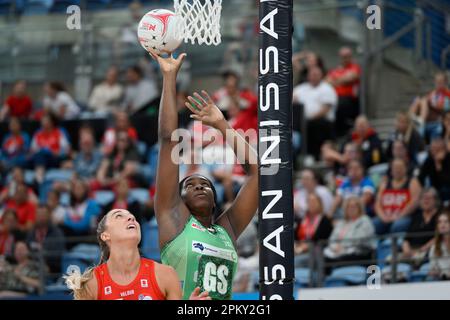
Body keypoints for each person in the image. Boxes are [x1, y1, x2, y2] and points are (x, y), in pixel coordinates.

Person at [152, 52, 258, 300]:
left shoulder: (226, 230)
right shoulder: (174, 221)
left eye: (206, 185)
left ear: (215, 199)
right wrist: (169, 78)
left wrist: (223, 125)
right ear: (179, 199)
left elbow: (257, 173)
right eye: (190, 184)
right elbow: (169, 140)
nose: (199, 186)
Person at [64, 209, 210, 300]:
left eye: (132, 217)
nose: (131, 218)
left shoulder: (165, 274)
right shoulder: (92, 284)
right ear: (105, 236)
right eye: (119, 216)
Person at [293, 66, 337, 159]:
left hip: (321, 122)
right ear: (308, 76)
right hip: (302, 122)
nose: (314, 77)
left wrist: (309, 118)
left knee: (312, 126)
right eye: (312, 75)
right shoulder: (300, 88)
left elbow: (325, 109)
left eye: (316, 75)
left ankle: (313, 155)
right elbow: (293, 101)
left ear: (321, 76)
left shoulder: (327, 88)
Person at [324, 196, 375, 272]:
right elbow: (332, 239)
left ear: (359, 208)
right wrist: (335, 247)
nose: (351, 209)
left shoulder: (365, 220)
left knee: (340, 261)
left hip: (359, 252)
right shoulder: (341, 223)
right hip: (338, 251)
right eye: (349, 207)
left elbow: (360, 239)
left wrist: (343, 246)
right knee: (321, 259)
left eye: (354, 206)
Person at [373, 158, 422, 235]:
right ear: (391, 170)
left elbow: (415, 202)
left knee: (397, 225)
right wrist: (383, 216)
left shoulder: (412, 182)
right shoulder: (385, 184)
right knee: (374, 224)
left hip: (405, 216)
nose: (398, 170)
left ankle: (395, 245)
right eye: (395, 168)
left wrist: (399, 216)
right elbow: (377, 204)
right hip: (386, 216)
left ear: (405, 169)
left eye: (400, 167)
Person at [400, 188, 440, 267]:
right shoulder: (417, 216)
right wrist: (406, 249)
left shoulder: (440, 216)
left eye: (428, 198)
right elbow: (407, 238)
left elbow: (439, 236)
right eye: (423, 198)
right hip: (412, 250)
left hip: (429, 250)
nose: (425, 201)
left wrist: (422, 249)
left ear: (435, 200)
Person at [326, 47, 362, 137]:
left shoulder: (355, 67)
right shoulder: (334, 70)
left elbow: (351, 78)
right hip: (334, 98)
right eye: (343, 57)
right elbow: (326, 82)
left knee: (340, 105)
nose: (345, 59)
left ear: (351, 57)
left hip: (349, 99)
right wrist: (342, 79)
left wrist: (335, 80)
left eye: (347, 56)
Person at [30, 113, 71, 183]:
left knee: (42, 154)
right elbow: (32, 151)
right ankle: (39, 178)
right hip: (40, 160)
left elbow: (67, 150)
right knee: (41, 154)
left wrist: (56, 152)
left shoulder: (59, 132)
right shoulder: (38, 134)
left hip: (54, 159)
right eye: (42, 121)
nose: (44, 123)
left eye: (46, 121)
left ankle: (38, 179)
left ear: (51, 122)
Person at [294, 193, 333, 268]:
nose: (312, 204)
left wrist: (307, 246)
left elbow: (324, 240)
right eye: (309, 202)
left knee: (295, 262)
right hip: (298, 250)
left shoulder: (325, 221)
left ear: (320, 204)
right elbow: (295, 237)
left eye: (314, 202)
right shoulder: (302, 220)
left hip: (316, 252)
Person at [409, 72, 450, 141]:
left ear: (445, 83)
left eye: (440, 82)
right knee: (418, 99)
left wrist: (431, 104)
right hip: (428, 115)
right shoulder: (433, 93)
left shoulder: (447, 94)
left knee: (424, 101)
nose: (438, 84)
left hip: (439, 116)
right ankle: (412, 117)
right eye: (437, 82)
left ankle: (420, 121)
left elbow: (445, 108)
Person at [26, 204, 65, 275]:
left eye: (43, 215)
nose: (41, 218)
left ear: (49, 216)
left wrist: (42, 255)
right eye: (38, 215)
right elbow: (27, 249)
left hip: (51, 269)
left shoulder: (56, 233)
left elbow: (58, 254)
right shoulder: (31, 233)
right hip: (33, 265)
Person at [418, 138, 450, 202]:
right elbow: (421, 177)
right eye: (432, 149)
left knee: (444, 190)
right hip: (434, 188)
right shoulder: (429, 159)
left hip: (446, 189)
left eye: (437, 149)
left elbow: (446, 181)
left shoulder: (448, 158)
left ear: (444, 149)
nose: (434, 151)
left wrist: (438, 164)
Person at [428, 210, 450, 280]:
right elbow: (433, 267)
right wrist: (434, 271)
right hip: (442, 280)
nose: (442, 224)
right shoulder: (434, 247)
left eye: (446, 222)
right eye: (439, 222)